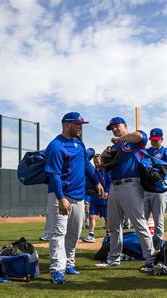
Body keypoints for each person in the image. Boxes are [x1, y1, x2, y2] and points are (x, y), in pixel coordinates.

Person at [44, 112, 104, 284]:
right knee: (58, 233)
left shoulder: (79, 142)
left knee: (74, 233)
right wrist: (61, 198)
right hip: (60, 195)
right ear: (67, 124)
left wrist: (97, 182)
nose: (80, 126)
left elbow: (86, 164)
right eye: (77, 124)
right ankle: (57, 270)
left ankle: (69, 263)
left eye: (81, 124)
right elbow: (54, 175)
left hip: (79, 196)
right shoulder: (56, 146)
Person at [95, 117, 156, 272]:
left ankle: (150, 260)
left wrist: (119, 139)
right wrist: (103, 158)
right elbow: (103, 165)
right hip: (114, 187)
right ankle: (114, 259)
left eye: (117, 126)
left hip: (131, 184)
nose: (115, 129)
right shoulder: (116, 146)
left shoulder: (133, 140)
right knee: (114, 226)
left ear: (125, 126)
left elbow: (141, 136)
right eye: (112, 127)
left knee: (139, 224)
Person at [144, 128, 167, 245]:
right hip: (146, 189)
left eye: (156, 140)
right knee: (142, 219)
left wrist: (155, 164)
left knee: (158, 219)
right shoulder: (146, 151)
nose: (154, 142)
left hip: (160, 190)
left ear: (161, 139)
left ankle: (157, 244)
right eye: (152, 140)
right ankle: (143, 243)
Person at [82, 155, 112, 243]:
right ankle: (91, 235)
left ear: (102, 161)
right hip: (94, 197)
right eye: (95, 161)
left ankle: (108, 234)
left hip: (104, 198)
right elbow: (87, 184)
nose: (96, 163)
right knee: (91, 216)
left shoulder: (106, 171)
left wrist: (106, 192)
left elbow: (110, 181)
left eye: (98, 161)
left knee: (107, 217)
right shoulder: (92, 171)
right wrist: (87, 197)